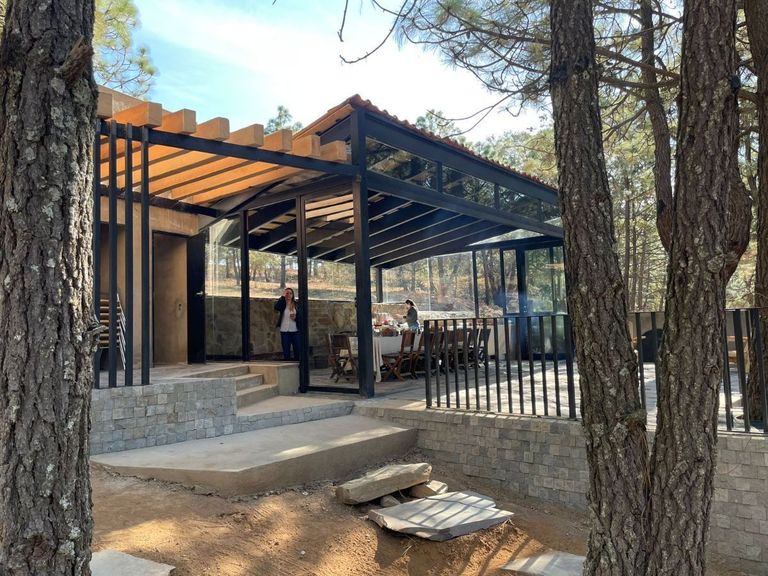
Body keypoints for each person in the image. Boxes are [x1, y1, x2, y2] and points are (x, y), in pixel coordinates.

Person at [274, 287, 300, 360]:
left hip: (295, 331)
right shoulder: (282, 304)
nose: (289, 295)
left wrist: (295, 318)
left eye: (290, 293)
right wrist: (282, 297)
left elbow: (301, 317)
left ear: (293, 295)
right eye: (287, 293)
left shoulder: (296, 304)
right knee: (286, 351)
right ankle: (287, 364)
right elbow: (276, 307)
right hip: (285, 331)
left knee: (297, 350)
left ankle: (297, 365)